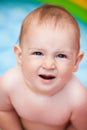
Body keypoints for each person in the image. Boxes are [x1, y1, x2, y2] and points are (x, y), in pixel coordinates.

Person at [0, 4, 87, 130]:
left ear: (76, 62)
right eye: (38, 53)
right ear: (20, 55)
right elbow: (3, 111)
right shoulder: (8, 84)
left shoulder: (78, 99)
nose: (49, 65)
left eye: (61, 55)